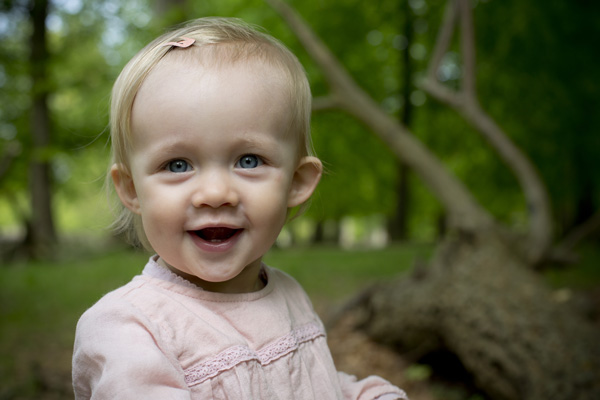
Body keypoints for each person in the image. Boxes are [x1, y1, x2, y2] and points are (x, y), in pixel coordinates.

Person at [72, 17, 408, 400]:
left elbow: (317, 384)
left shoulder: (288, 294)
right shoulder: (128, 328)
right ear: (132, 190)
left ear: (296, 183)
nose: (215, 193)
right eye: (178, 165)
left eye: (248, 160)